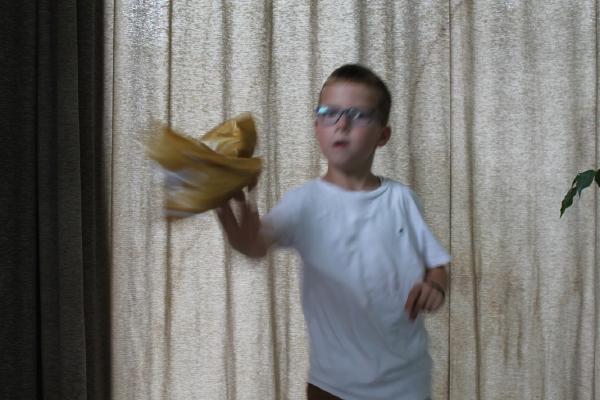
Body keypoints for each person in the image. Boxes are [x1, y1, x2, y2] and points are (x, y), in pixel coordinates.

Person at [217, 64, 451, 400]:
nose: (342, 124)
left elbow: (437, 264)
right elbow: (254, 244)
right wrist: (230, 214)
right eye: (329, 113)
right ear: (316, 127)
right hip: (332, 387)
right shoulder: (303, 203)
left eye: (359, 115)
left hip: (408, 384)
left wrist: (435, 287)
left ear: (383, 135)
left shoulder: (403, 199)